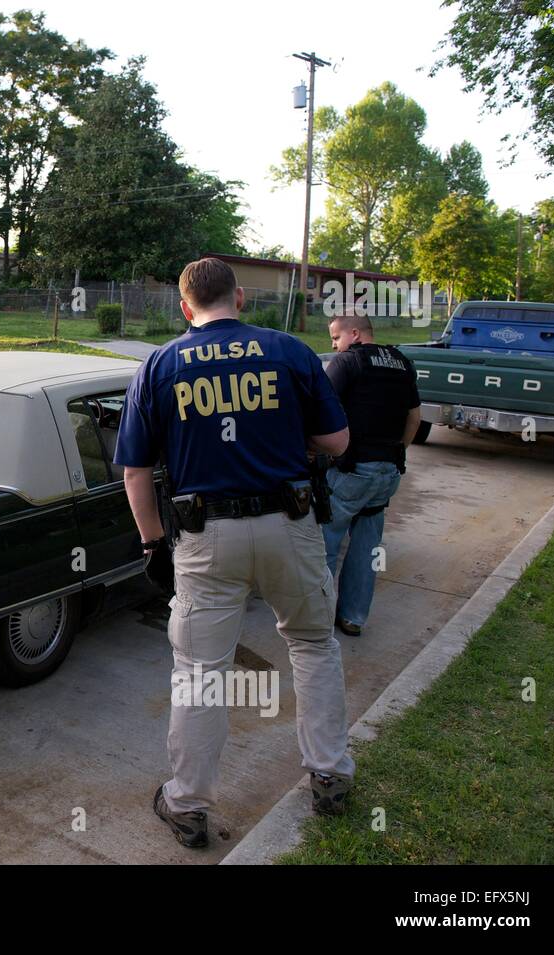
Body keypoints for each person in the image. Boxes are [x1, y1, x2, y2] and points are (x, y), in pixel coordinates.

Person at [115, 257, 356, 847]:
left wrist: (151, 544)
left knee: (200, 674)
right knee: (313, 644)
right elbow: (338, 442)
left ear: (184, 307)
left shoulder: (160, 364)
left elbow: (135, 471)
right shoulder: (291, 352)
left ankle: (189, 804)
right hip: (291, 523)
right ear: (240, 297)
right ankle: (329, 774)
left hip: (207, 536)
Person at [323, 311, 422, 636]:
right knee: (367, 547)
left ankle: (316, 618)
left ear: (354, 333)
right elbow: (414, 418)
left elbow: (322, 412)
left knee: (323, 545)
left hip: (351, 470)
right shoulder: (401, 362)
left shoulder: (347, 363)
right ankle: (353, 617)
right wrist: (398, 451)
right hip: (387, 471)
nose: (334, 346)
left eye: (336, 338)